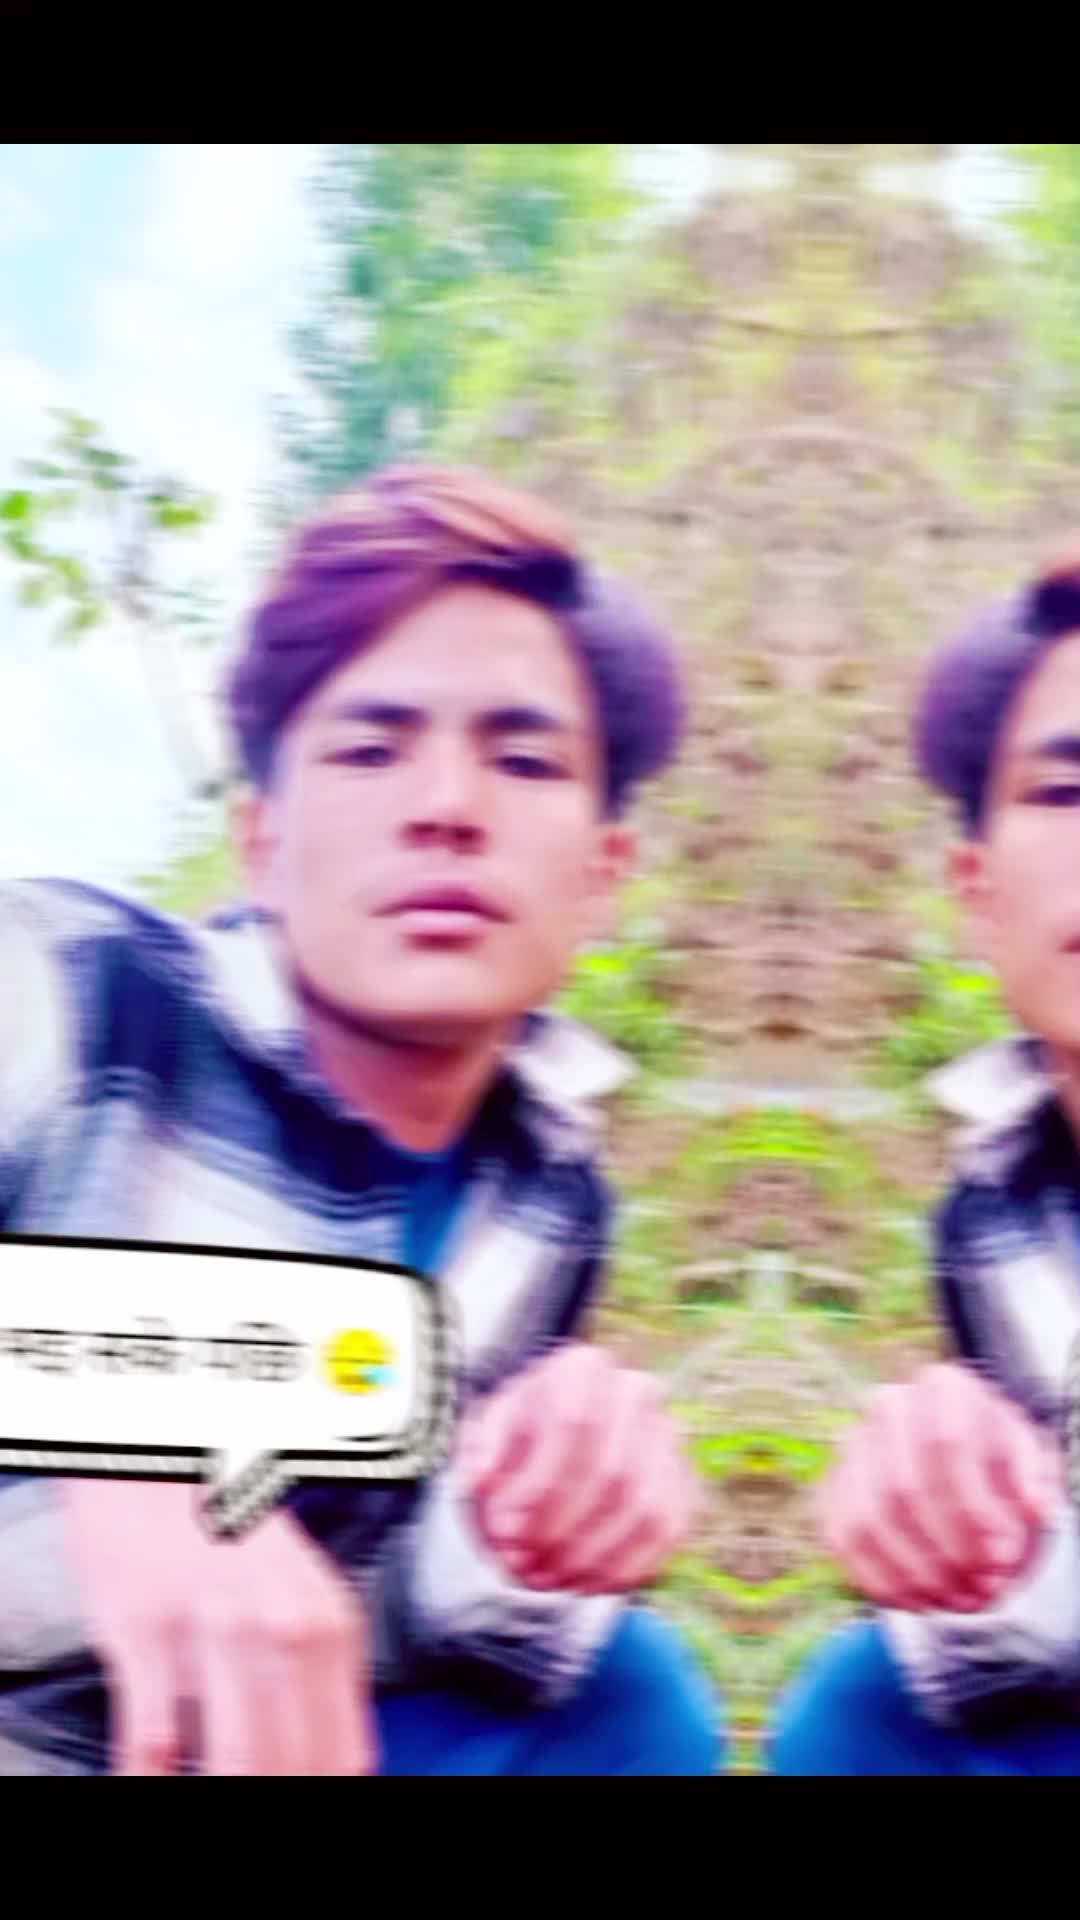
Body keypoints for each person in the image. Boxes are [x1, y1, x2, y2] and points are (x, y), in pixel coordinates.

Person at [0, 464, 720, 1777]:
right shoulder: (62, 990)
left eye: (523, 759)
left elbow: (355, 1591)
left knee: (633, 1696)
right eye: (370, 749)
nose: (447, 806)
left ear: (602, 872)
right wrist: (114, 1446)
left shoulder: (548, 1201)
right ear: (262, 840)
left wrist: (531, 1530)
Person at [771, 544, 1080, 1774]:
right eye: (1069, 791)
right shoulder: (995, 1222)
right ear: (977, 888)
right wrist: (939, 1509)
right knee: (864, 1710)